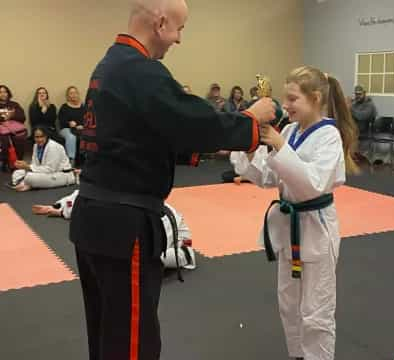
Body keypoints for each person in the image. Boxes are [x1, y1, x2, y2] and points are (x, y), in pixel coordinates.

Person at [69, 1, 276, 360]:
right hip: (122, 225)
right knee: (132, 344)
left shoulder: (110, 64)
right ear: (161, 22)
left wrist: (205, 148)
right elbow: (193, 121)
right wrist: (251, 122)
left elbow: (143, 134)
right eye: (179, 29)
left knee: (108, 335)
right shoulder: (139, 70)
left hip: (96, 219)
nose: (178, 40)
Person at [234, 66, 358, 360]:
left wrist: (278, 145)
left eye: (292, 99)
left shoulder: (329, 135)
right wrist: (251, 149)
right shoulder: (290, 130)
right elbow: (267, 177)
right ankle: (298, 354)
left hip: (315, 227)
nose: (284, 105)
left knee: (316, 309)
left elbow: (314, 184)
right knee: (289, 303)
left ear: (315, 98)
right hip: (290, 227)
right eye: (284, 98)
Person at [33, 193, 196, 269]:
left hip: (173, 238)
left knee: (154, 259)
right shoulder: (106, 191)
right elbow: (81, 196)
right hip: (138, 224)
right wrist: (58, 209)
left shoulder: (157, 216)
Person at [9, 126, 75, 191]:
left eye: (42, 136)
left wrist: (28, 167)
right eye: (37, 137)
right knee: (17, 173)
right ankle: (29, 184)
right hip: (44, 173)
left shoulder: (53, 147)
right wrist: (25, 166)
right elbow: (35, 165)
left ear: (46, 136)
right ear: (34, 137)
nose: (39, 139)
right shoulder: (35, 146)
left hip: (60, 174)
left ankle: (26, 183)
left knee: (30, 177)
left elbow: (50, 169)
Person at [0, 85, 27, 171]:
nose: (3, 94)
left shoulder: (14, 104)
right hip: (1, 129)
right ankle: (5, 162)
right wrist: (3, 118)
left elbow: (22, 117)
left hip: (14, 128)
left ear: (8, 93)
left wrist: (11, 116)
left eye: (5, 92)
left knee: (19, 137)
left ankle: (17, 161)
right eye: (0, 92)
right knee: (4, 139)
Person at [58, 86, 86, 165]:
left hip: (82, 128)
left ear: (78, 94)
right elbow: (62, 121)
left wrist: (82, 125)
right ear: (68, 95)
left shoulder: (84, 106)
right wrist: (69, 123)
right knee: (71, 136)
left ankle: (87, 160)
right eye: (71, 93)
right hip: (66, 129)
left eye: (75, 93)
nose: (73, 95)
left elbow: (88, 119)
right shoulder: (64, 107)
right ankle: (71, 160)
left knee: (89, 135)